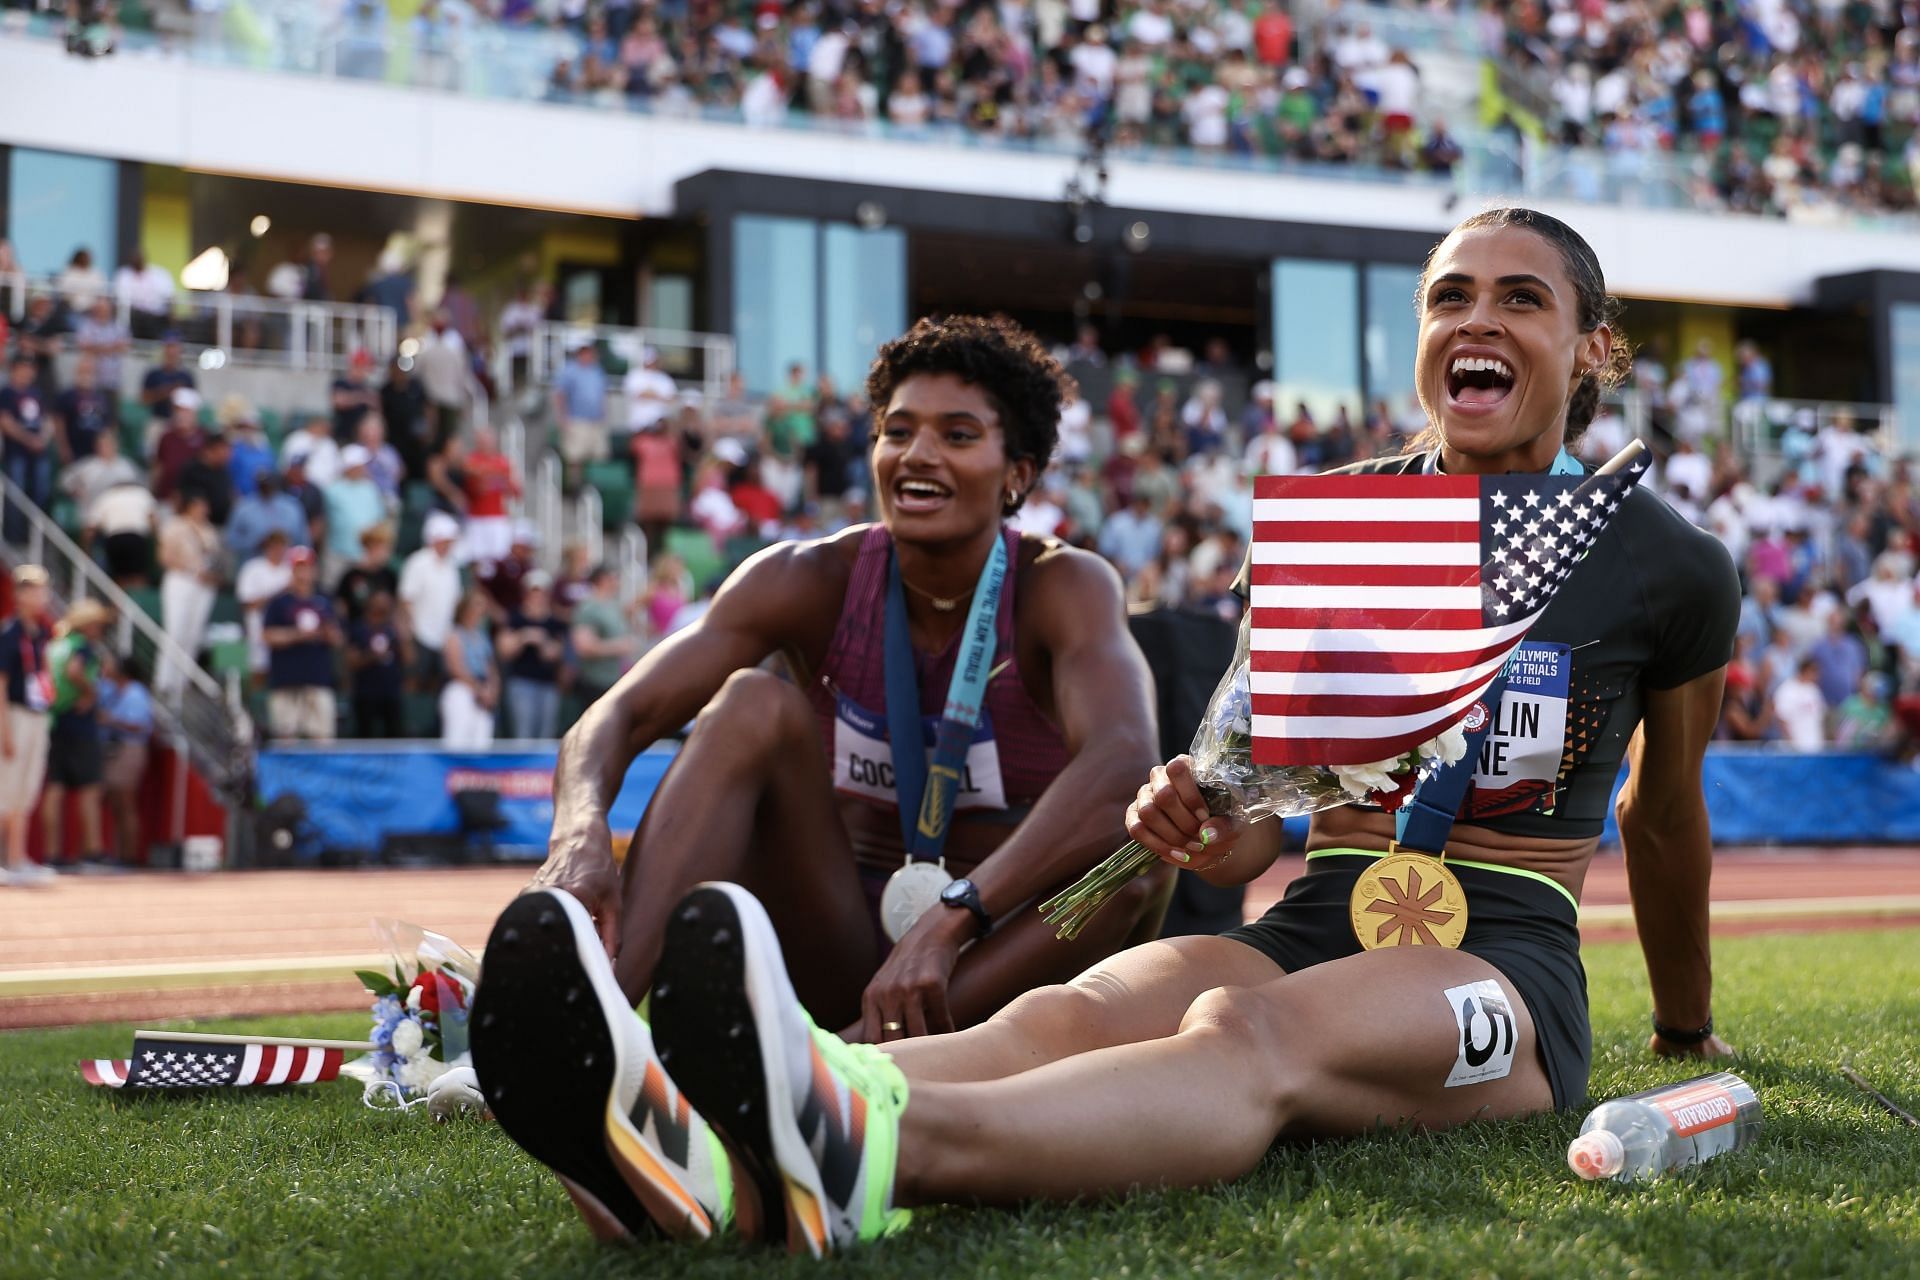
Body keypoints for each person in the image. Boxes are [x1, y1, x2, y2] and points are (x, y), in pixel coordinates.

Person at [472, 212, 1742, 1251]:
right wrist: (1201, 818)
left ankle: (862, 1148)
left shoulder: (1667, 562)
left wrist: (1682, 1030)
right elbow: (1250, 834)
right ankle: (702, 1141)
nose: (1477, 318)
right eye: (1450, 295)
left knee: (1245, 1039)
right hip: (1318, 915)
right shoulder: (1342, 518)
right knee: (1065, 1015)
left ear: (1591, 350)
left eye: (1521, 299)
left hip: (1501, 965)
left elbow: (1664, 813)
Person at [41, 599, 114, 871]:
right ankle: (93, 853)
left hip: (53, 721)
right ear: (89, 624)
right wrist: (90, 692)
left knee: (55, 788)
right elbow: (74, 672)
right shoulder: (81, 646)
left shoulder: (55, 645)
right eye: (99, 623)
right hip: (80, 723)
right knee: (90, 790)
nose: (101, 629)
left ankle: (52, 855)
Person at [0, 567, 56, 886]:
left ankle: (17, 858)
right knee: (5, 789)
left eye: (43, 591)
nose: (40, 597)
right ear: (19, 595)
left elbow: (43, 674)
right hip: (14, 716)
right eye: (33, 591)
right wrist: (4, 731)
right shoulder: (9, 634)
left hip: (38, 716)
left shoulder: (43, 632)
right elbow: (1, 685)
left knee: (25, 791)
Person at [261, 548, 342, 741]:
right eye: (300, 568)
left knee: (322, 739)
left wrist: (326, 633)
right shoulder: (279, 603)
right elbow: (267, 636)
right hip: (286, 679)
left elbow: (337, 638)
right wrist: (298, 635)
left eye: (308, 568)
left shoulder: (325, 601)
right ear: (292, 570)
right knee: (285, 739)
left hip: (317, 678)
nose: (304, 573)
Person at [156, 493, 222, 696]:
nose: (203, 510)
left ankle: (182, 684)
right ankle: (164, 682)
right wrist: (191, 571)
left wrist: (209, 575)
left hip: (204, 585)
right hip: (181, 579)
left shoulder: (210, 530)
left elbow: (216, 559)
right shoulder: (175, 525)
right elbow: (164, 557)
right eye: (199, 505)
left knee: (193, 634)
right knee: (175, 631)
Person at [98, 651, 153, 867]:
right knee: (117, 805)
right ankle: (120, 854)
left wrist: (111, 720)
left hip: (130, 748)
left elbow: (139, 725)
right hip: (115, 750)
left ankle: (129, 857)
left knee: (126, 803)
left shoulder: (136, 692)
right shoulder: (114, 691)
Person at [497, 572, 567, 739]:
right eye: (533, 593)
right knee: (524, 733)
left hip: (548, 684)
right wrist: (524, 637)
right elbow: (504, 650)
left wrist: (542, 642)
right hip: (521, 682)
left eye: (541, 593)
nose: (537, 598)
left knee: (546, 734)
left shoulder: (554, 622)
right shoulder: (515, 618)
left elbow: (555, 653)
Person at [0, 353, 53, 543]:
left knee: (42, 491)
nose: (27, 373)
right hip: (17, 452)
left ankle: (34, 537)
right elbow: (5, 422)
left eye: (30, 369)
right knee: (16, 493)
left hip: (39, 451)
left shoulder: (36, 393)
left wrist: (43, 438)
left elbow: (47, 420)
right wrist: (29, 440)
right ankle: (13, 537)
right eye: (23, 368)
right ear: (14, 370)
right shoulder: (6, 392)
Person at [569, 564, 637, 708]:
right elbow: (583, 648)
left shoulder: (613, 605)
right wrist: (618, 647)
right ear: (603, 579)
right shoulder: (589, 608)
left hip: (613, 681)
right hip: (595, 683)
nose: (618, 582)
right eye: (614, 577)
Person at [345, 590, 410, 739]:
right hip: (366, 693)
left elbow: (409, 659)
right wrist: (373, 656)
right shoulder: (359, 628)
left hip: (391, 692)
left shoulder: (393, 629)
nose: (383, 607)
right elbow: (351, 662)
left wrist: (403, 633)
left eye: (386, 603)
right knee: (365, 736)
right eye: (379, 602)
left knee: (394, 736)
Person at [440, 590, 498, 749]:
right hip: (461, 689)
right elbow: (455, 668)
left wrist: (491, 690)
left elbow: (490, 668)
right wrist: (477, 688)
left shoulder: (482, 636)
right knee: (457, 739)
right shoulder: (454, 635)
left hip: (482, 693)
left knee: (482, 741)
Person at [236, 529, 295, 682]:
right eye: (274, 546)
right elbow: (248, 604)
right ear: (267, 547)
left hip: (286, 629)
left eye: (282, 546)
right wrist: (280, 592)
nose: (279, 551)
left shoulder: (290, 570)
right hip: (258, 627)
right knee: (258, 671)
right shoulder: (253, 568)